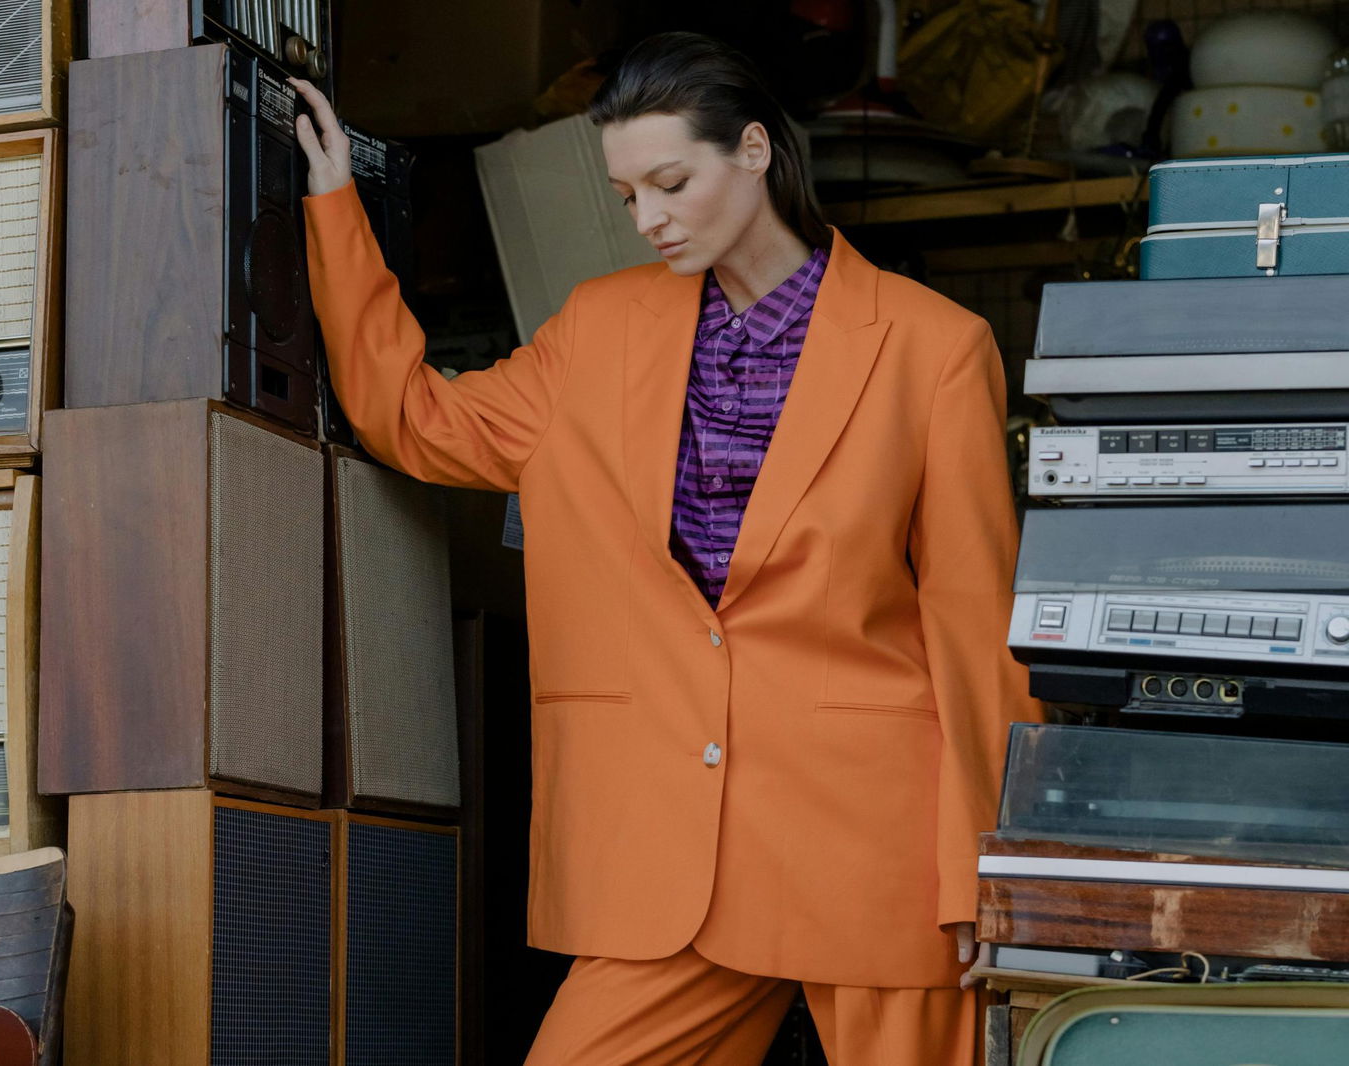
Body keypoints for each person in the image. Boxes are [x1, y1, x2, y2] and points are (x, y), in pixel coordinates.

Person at [291, 30, 1040, 1066]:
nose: (646, 219)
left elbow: (973, 620)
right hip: (665, 854)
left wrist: (991, 871)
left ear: (753, 150)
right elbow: (414, 419)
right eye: (627, 194)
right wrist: (337, 206)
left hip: (874, 843)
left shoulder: (935, 346)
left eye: (671, 183)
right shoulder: (597, 330)